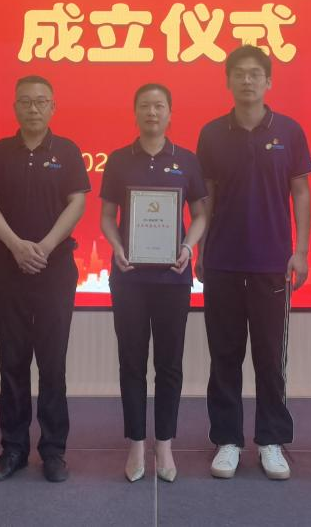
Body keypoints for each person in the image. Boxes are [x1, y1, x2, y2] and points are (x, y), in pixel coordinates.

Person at [196, 45, 311, 481]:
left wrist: (301, 251)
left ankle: (271, 440)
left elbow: (301, 191)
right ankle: (227, 439)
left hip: (272, 262)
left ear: (268, 81)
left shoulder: (289, 131)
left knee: (270, 356)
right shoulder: (211, 133)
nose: (247, 80)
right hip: (222, 260)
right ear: (228, 81)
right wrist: (201, 248)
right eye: (239, 74)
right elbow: (205, 196)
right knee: (224, 354)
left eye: (255, 74)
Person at [0, 75, 90, 484]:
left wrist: (43, 246)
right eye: (25, 101)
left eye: (41, 101)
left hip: (55, 268)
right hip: (9, 268)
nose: (33, 108)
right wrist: (15, 246)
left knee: (52, 362)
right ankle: (13, 448)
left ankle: (54, 450)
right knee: (12, 360)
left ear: (53, 107)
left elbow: (77, 201)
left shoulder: (68, 151)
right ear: (15, 107)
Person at [99, 83, 210, 483]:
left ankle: (164, 443)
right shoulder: (118, 160)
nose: (152, 112)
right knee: (131, 362)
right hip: (129, 276)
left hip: (172, 278)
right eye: (145, 105)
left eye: (159, 106)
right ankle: (135, 442)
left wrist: (188, 246)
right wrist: (116, 246)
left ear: (170, 113)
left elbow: (200, 214)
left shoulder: (187, 160)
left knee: (169, 363)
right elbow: (107, 216)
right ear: (135, 112)